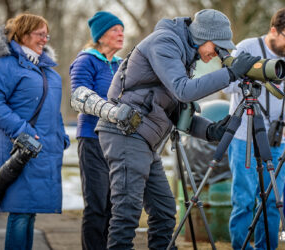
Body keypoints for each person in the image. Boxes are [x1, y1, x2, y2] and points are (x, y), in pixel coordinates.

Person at [86, 9, 261, 249]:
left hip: (144, 139)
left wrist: (210, 131)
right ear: (203, 37)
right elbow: (184, 90)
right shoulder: (166, 42)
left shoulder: (184, 54)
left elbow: (176, 113)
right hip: (125, 133)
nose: (219, 53)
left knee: (165, 212)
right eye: (217, 46)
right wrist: (230, 73)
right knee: (127, 212)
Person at [0, 13, 69, 250]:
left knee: (29, 213)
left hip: (41, 151)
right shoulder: (5, 63)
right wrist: (22, 131)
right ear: (24, 33)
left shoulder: (46, 69)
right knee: (20, 213)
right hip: (18, 150)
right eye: (40, 34)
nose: (45, 39)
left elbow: (53, 109)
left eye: (46, 34)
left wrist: (61, 135)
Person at [223, 8, 285, 250]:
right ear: (273, 31)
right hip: (243, 137)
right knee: (244, 200)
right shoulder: (247, 47)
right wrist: (254, 76)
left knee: (272, 200)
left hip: (275, 139)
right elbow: (226, 85)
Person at [69, 11, 124, 250]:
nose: (121, 34)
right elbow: (79, 96)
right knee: (97, 204)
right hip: (92, 138)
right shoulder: (85, 61)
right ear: (100, 36)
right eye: (115, 30)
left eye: (122, 30)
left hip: (118, 141)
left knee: (114, 204)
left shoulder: (122, 64)